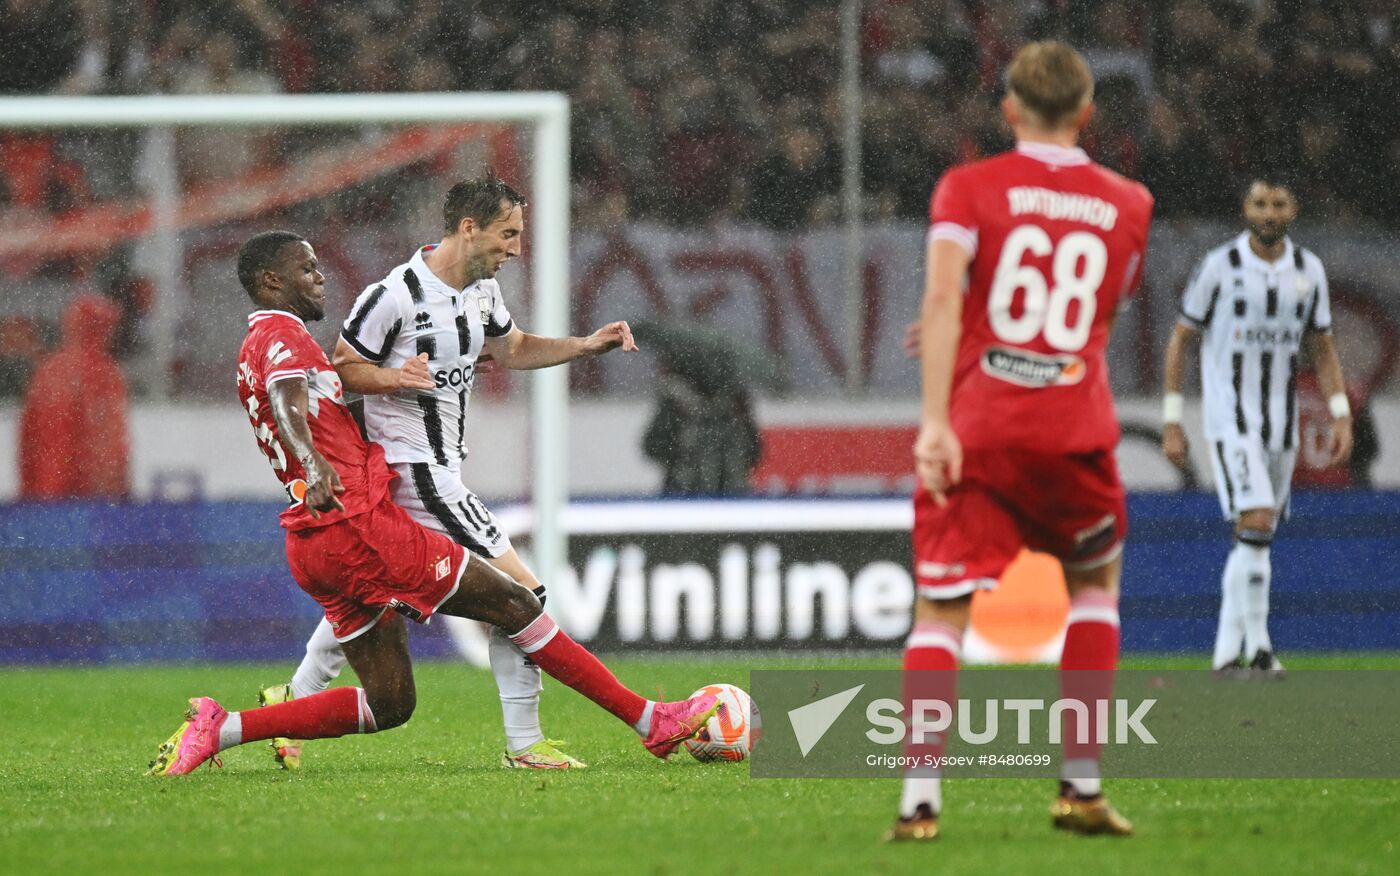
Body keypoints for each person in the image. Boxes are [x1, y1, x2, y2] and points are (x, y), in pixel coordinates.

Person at [146, 231, 720, 776]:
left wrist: (450, 366)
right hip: (357, 526)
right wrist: (316, 463)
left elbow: (319, 393)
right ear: (271, 281)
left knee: (390, 704)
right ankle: (651, 721)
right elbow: (287, 399)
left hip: (314, 541)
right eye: (307, 269)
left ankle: (220, 729)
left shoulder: (259, 345)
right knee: (519, 605)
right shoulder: (283, 335)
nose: (321, 278)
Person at [255, 177, 640, 771]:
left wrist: (585, 347)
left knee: (376, 597)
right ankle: (526, 743)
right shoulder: (394, 295)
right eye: (507, 234)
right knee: (524, 597)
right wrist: (396, 379)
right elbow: (340, 370)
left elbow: (512, 349)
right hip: (414, 472)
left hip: (435, 470)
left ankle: (294, 703)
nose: (515, 248)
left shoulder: (482, 293)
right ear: (469, 228)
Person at [891, 41, 1154, 841]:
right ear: (1086, 113)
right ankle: (1080, 786)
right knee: (1095, 588)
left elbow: (944, 298)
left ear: (1008, 110)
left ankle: (919, 803)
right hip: (1074, 428)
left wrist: (936, 416)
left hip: (981, 428)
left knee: (941, 609)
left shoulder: (968, 188)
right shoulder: (1130, 202)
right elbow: (1094, 318)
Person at [1161, 176, 1352, 677]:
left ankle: (1227, 655)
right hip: (1230, 419)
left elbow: (1323, 345)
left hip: (1281, 425)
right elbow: (1182, 339)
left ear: (1294, 210)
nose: (1268, 212)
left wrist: (1340, 412)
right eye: (1260, 203)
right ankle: (1261, 647)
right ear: (1245, 207)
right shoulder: (1219, 267)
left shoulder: (1309, 270)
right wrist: (1173, 419)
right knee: (1259, 517)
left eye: (1279, 203)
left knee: (1254, 534)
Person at [19, 293, 129, 499]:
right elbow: (108, 439)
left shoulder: (48, 370)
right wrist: (118, 487)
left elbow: (27, 437)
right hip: (86, 494)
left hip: (44, 489)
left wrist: (28, 488)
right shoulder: (103, 372)